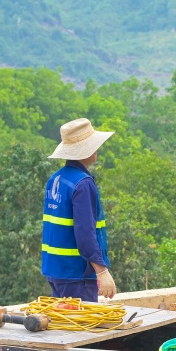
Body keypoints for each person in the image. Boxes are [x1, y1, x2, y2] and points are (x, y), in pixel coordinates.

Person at [41, 117, 117, 302]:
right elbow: (85, 233)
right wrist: (102, 271)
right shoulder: (83, 184)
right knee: (80, 328)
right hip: (76, 275)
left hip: (56, 271)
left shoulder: (56, 179)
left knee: (64, 327)